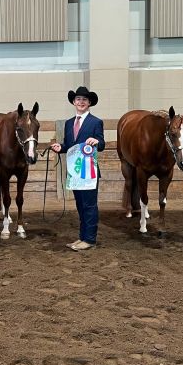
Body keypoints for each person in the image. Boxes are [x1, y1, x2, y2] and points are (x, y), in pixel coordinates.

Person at [50, 86, 105, 251]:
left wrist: (96, 142)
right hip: (74, 171)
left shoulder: (96, 122)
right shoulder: (68, 123)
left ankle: (90, 239)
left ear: (89, 103)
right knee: (80, 206)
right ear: (74, 102)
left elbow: (101, 143)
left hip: (89, 171)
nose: (81, 102)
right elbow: (70, 145)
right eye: (78, 99)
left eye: (84, 100)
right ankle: (82, 237)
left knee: (89, 205)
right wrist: (61, 147)